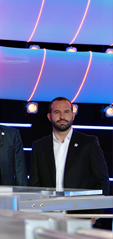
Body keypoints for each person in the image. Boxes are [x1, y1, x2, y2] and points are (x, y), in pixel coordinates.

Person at [29, 97, 110, 228]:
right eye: (57, 112)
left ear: (73, 115)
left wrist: (94, 215)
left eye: (66, 112)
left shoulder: (88, 143)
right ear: (49, 116)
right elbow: (35, 184)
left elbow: (102, 181)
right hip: (48, 218)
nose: (62, 116)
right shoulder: (39, 146)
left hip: (81, 218)